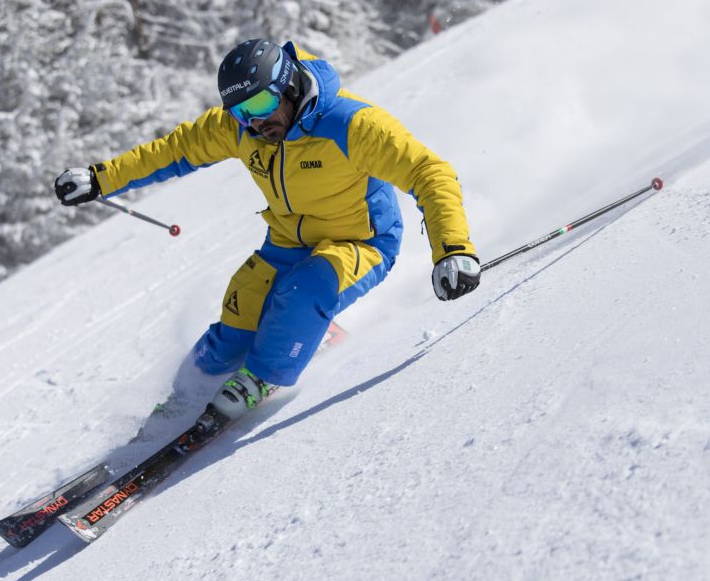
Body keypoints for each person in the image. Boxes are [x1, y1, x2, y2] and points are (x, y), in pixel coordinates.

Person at [54, 39, 480, 421]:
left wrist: (453, 248)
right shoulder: (244, 130)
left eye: (259, 106)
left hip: (360, 242)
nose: (254, 123)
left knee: (304, 290)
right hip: (287, 244)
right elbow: (176, 150)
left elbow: (430, 173)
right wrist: (101, 178)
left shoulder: (351, 125)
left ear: (290, 87)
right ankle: (188, 396)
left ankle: (262, 377)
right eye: (240, 113)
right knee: (235, 321)